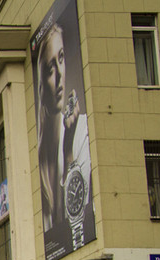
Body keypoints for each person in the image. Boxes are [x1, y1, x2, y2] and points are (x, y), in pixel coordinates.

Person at [36, 23, 91, 235]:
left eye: (61, 59)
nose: (59, 75)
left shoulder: (82, 131)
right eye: (50, 70)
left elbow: (79, 218)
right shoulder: (38, 160)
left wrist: (68, 152)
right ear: (40, 86)